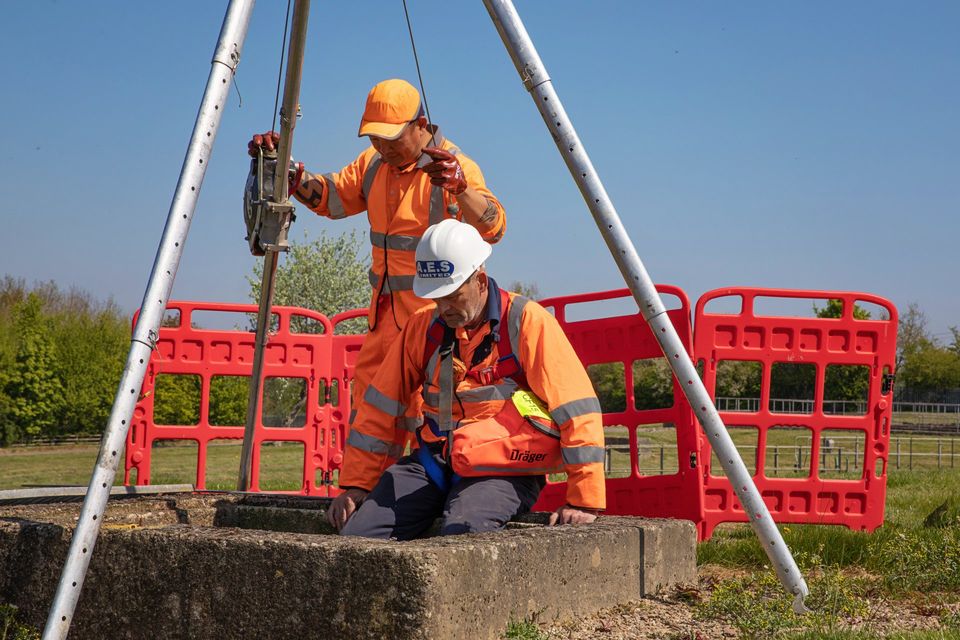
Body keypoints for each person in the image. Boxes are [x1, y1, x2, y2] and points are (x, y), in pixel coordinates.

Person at [248, 79, 506, 428]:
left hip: (435, 325)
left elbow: (494, 228)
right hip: (383, 324)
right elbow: (331, 197)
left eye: (391, 139)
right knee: (369, 419)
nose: (383, 148)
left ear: (421, 126)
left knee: (430, 419)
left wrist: (461, 190)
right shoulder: (373, 164)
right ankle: (365, 485)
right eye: (374, 139)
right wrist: (286, 172)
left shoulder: (456, 167)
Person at [327, 219, 606, 539]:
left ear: (481, 281)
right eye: (436, 297)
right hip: (432, 464)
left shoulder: (527, 322)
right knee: (359, 536)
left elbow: (577, 410)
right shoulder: (423, 327)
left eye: (452, 295)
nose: (443, 307)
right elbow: (380, 408)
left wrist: (584, 501)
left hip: (504, 470)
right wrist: (358, 485)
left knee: (464, 534)